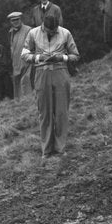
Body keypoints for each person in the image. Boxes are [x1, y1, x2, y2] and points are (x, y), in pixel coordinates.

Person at [22, 14, 79, 157]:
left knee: (61, 112)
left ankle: (60, 148)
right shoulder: (33, 33)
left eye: (54, 31)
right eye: (49, 31)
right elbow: (24, 54)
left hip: (61, 73)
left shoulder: (65, 33)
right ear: (43, 26)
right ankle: (46, 149)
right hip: (42, 73)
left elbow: (75, 55)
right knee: (45, 113)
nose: (52, 33)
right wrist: (38, 57)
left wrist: (62, 57)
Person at [7, 11, 33, 101]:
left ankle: (28, 100)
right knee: (17, 82)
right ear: (10, 22)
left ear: (20, 19)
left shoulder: (28, 30)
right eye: (13, 20)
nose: (15, 22)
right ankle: (18, 102)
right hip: (15, 62)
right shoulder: (11, 32)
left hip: (26, 61)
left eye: (17, 19)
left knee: (26, 81)